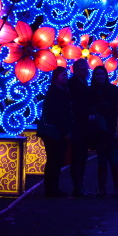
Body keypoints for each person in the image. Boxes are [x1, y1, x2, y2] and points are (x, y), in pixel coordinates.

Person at [89, 65, 118, 197]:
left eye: (102, 74)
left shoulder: (113, 90)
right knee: (101, 160)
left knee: (114, 159)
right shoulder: (91, 91)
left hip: (111, 127)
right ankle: (101, 188)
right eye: (97, 74)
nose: (100, 77)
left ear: (106, 75)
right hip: (99, 130)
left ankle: (116, 188)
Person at [41, 66, 72, 197]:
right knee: (54, 159)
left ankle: (53, 187)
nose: (65, 77)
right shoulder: (55, 92)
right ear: (56, 77)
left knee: (55, 159)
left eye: (66, 75)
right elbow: (57, 114)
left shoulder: (61, 91)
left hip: (55, 130)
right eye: (63, 75)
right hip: (54, 131)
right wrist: (66, 131)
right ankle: (51, 188)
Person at [67, 58, 94, 197]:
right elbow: (76, 105)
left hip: (82, 126)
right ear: (76, 70)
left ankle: (80, 186)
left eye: (87, 69)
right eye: (83, 70)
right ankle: (77, 187)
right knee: (78, 157)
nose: (86, 72)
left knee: (82, 156)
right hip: (78, 126)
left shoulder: (83, 82)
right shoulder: (73, 84)